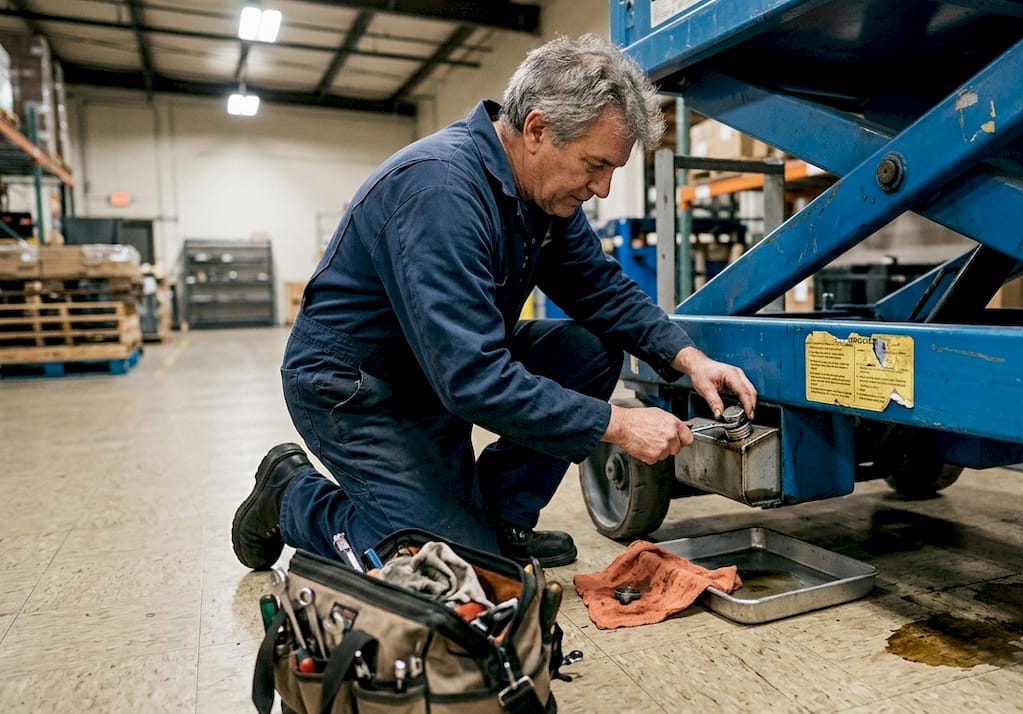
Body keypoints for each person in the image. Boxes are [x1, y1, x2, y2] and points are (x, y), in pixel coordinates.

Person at [231, 33, 757, 572]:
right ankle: (290, 496)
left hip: (434, 370)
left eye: (612, 172)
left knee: (589, 350)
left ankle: (500, 517)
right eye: (594, 165)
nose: (602, 188)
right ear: (537, 130)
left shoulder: (541, 197)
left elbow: (600, 287)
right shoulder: (439, 192)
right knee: (446, 566)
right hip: (359, 388)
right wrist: (619, 425)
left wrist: (689, 358)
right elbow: (472, 379)